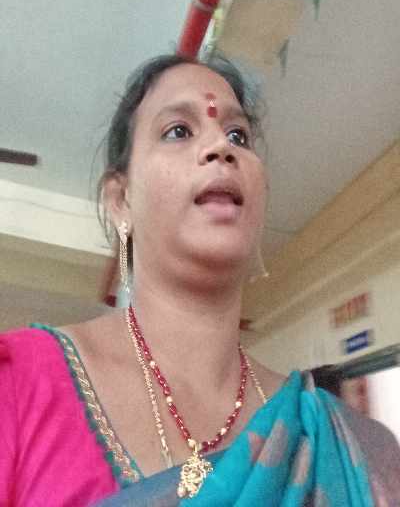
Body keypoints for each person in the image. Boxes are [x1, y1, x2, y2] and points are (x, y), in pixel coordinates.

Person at [1, 55, 400, 506]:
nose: (220, 147)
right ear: (120, 200)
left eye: (238, 135)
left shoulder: (341, 442)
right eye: (178, 131)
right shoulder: (18, 386)